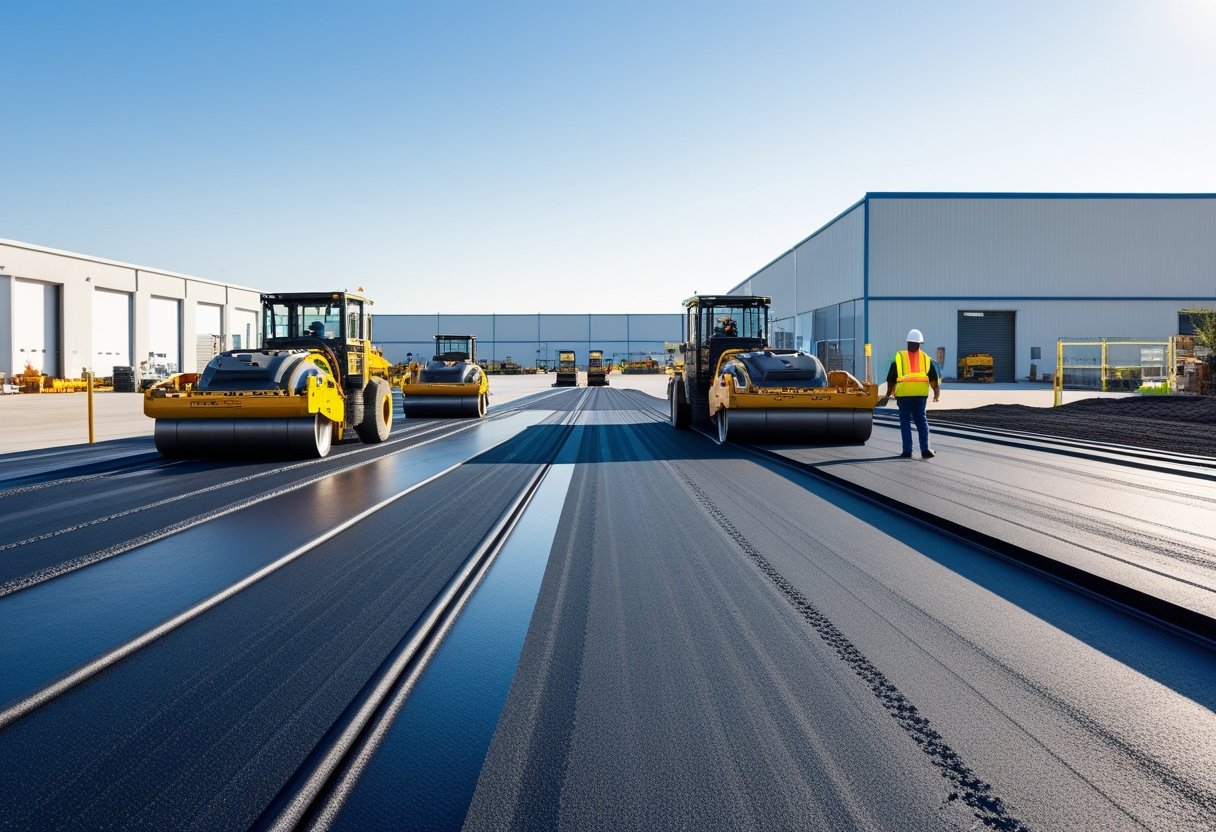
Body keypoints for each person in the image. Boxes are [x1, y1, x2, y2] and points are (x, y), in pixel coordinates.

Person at [884, 329, 940, 459]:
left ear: (907, 342)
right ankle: (925, 449)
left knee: (905, 422)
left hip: (903, 397)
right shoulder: (926, 359)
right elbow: (933, 380)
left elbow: (891, 379)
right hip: (920, 396)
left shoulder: (899, 357)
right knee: (921, 420)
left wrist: (888, 394)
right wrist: (936, 394)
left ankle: (907, 451)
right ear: (920, 343)